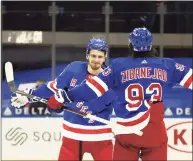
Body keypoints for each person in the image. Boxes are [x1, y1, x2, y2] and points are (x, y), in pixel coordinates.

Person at [51, 27, 192, 161]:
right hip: (155, 131)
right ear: (151, 45)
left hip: (127, 130)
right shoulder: (167, 65)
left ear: (130, 44)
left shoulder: (119, 66)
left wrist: (64, 96)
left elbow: (91, 89)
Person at [11, 38, 116, 161]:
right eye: (93, 55)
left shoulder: (111, 79)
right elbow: (52, 88)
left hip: (101, 138)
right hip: (72, 137)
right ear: (87, 55)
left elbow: (110, 101)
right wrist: (29, 96)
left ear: (105, 57)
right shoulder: (74, 69)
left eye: (100, 56)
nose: (96, 60)